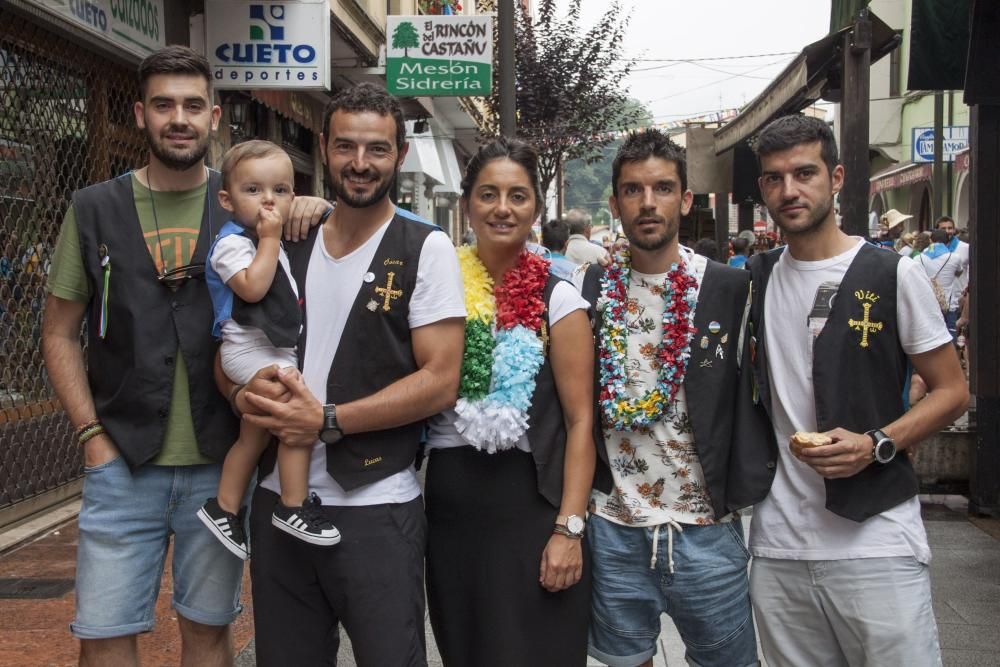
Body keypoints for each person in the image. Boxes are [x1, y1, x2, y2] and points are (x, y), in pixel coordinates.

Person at [40, 45, 328, 666]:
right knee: (105, 633)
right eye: (164, 104)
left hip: (216, 457)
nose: (179, 117)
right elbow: (59, 332)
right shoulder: (93, 209)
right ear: (140, 113)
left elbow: (366, 227)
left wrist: (315, 204)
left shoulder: (254, 195)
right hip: (122, 461)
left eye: (193, 105)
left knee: (206, 629)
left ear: (215, 116)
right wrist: (91, 435)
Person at [229, 82, 467, 666]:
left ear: (400, 156)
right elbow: (236, 341)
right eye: (346, 147)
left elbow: (440, 379)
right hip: (277, 504)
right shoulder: (286, 235)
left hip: (376, 508)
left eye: (377, 149)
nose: (360, 164)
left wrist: (328, 420)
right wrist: (240, 390)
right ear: (324, 146)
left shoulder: (425, 248)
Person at [746, 114, 968, 667]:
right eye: (774, 178)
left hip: (876, 539)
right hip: (779, 545)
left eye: (804, 173)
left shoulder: (893, 272)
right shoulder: (756, 278)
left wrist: (878, 444)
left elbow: (952, 390)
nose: (789, 190)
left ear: (837, 176)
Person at [578, 129, 773, 667]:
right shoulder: (586, 289)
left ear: (685, 199)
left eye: (663, 188)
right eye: (633, 190)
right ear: (615, 202)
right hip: (614, 527)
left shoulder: (731, 289)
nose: (647, 203)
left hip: (706, 533)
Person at [423, 138, 596, 666]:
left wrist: (569, 528)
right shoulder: (436, 285)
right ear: (467, 203)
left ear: (536, 209)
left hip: (530, 504)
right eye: (489, 194)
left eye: (518, 196)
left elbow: (581, 420)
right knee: (467, 650)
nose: (503, 208)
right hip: (453, 505)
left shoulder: (558, 298)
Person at [198, 140, 340, 559]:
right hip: (244, 349)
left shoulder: (262, 238)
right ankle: (291, 505)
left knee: (257, 435)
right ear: (226, 199)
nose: (268, 201)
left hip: (272, 350)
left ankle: (224, 506)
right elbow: (253, 286)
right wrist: (271, 238)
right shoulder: (232, 244)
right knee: (295, 417)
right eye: (254, 190)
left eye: (280, 190)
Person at [920, 229, 966, 340]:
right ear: (947, 241)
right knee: (950, 337)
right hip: (948, 306)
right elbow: (959, 273)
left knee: (929, 338)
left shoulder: (919, 258)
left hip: (927, 305)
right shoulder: (955, 258)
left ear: (931, 240)